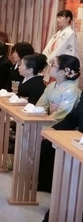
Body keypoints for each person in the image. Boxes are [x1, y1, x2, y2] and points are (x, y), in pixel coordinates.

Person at [35, 55, 81, 193]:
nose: (50, 67)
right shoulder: (51, 85)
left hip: (62, 127)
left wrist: (46, 128)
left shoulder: (71, 90)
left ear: (63, 72)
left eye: (53, 65)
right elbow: (41, 105)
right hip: (49, 122)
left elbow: (62, 115)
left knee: (47, 143)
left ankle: (48, 181)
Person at [42, 10, 80, 82]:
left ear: (68, 19)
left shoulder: (70, 33)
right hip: (54, 62)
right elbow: (49, 47)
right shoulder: (59, 33)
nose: (58, 20)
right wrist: (45, 55)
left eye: (60, 17)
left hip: (60, 65)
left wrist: (50, 59)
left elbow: (61, 49)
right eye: (57, 18)